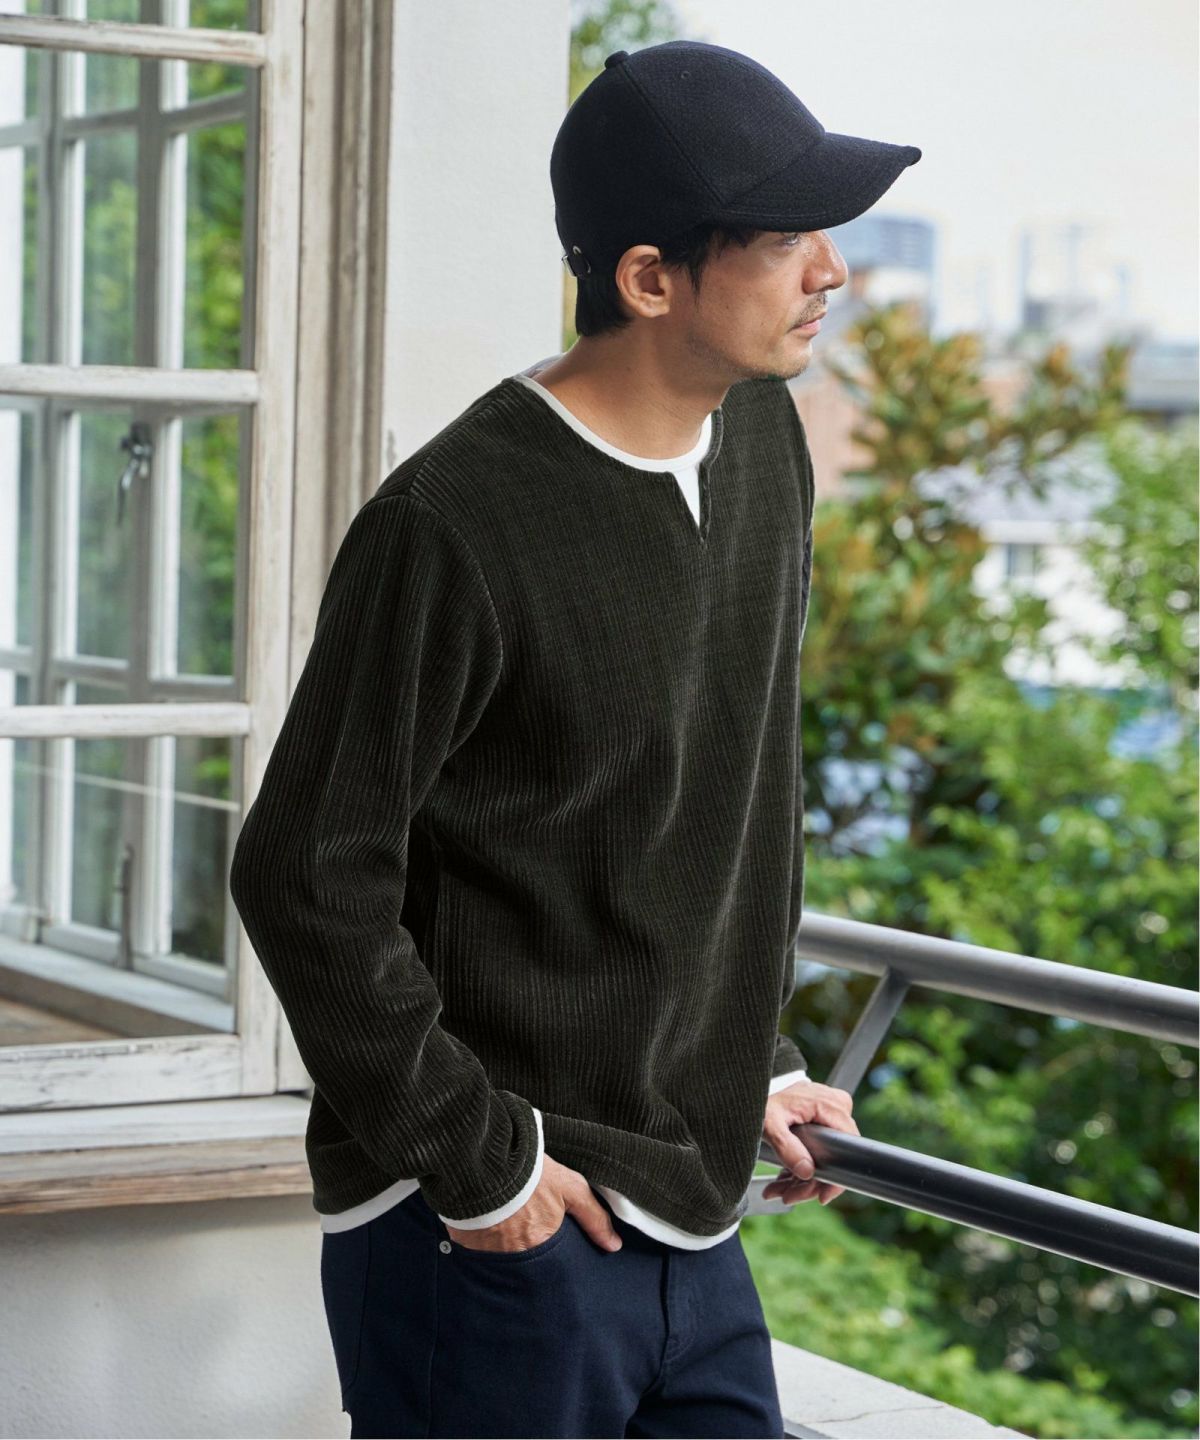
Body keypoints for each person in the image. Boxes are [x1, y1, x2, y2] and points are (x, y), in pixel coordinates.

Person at [229, 37, 920, 1440]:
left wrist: (751, 1062)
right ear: (650, 278)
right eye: (783, 238)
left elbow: (705, 813)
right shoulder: (451, 525)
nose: (831, 270)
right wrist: (476, 1163)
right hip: (491, 1228)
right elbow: (303, 871)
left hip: (690, 1212)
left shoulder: (765, 444)